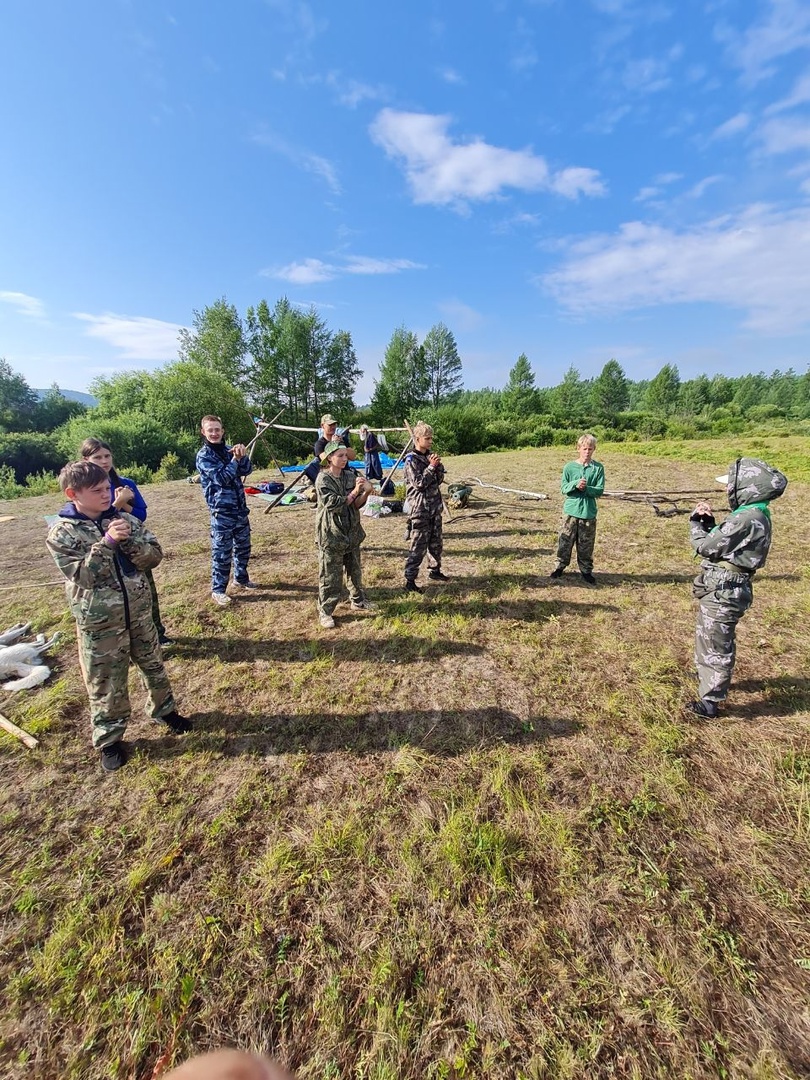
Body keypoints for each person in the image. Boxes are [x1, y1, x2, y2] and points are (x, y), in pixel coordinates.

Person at [46, 461, 192, 772]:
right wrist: (108, 543)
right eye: (97, 490)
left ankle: (164, 710)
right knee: (106, 682)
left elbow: (154, 556)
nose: (107, 494)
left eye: (107, 488)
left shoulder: (123, 518)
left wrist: (129, 541)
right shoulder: (62, 533)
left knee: (153, 666)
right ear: (73, 494)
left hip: (138, 613)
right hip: (101, 624)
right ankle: (109, 739)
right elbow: (84, 576)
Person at [687, 456, 788, 718]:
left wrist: (697, 525)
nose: (725, 489)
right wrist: (712, 525)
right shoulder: (756, 513)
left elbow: (707, 547)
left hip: (724, 589)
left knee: (716, 643)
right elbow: (726, 543)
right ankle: (707, 676)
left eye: (729, 485)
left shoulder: (746, 517)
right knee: (710, 638)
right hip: (727, 586)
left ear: (745, 486)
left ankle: (710, 702)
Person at [80, 437, 171, 646]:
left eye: (107, 456)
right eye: (97, 457)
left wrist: (124, 505)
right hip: (105, 548)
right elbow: (93, 518)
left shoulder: (125, 484)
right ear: (86, 459)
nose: (104, 461)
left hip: (134, 546)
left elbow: (141, 515)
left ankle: (158, 633)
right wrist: (116, 504)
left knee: (146, 590)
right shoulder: (84, 489)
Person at [196, 415, 255, 607]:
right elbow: (222, 478)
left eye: (217, 429)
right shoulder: (204, 456)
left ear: (222, 431)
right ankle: (218, 590)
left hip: (239, 509)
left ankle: (241, 578)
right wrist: (235, 460)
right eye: (210, 430)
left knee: (244, 547)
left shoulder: (229, 450)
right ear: (203, 432)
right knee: (222, 553)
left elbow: (247, 470)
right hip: (221, 512)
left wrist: (242, 455)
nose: (214, 433)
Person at [315, 441, 374, 628]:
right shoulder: (323, 479)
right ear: (330, 459)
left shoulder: (350, 476)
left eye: (345, 455)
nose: (344, 459)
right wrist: (356, 491)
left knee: (355, 570)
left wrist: (366, 493)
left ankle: (357, 600)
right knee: (330, 576)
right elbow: (334, 504)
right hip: (332, 534)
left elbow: (356, 504)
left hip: (352, 531)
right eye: (339, 456)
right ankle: (325, 611)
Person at [549, 433, 605, 585]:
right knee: (565, 541)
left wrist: (586, 488)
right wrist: (575, 484)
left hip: (588, 512)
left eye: (590, 449)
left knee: (586, 544)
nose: (587, 452)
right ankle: (559, 567)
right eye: (584, 448)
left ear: (594, 450)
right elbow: (563, 488)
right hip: (570, 512)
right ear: (578, 448)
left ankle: (586, 571)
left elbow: (599, 490)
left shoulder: (598, 468)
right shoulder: (569, 467)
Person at [403, 421, 447, 593]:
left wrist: (437, 467)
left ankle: (435, 571)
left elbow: (439, 479)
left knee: (436, 543)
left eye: (431, 438)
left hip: (434, 508)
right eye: (427, 438)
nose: (430, 442)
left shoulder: (430, 457)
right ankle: (410, 580)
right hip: (420, 510)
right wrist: (431, 467)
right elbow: (419, 483)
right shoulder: (411, 460)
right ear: (417, 439)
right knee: (418, 546)